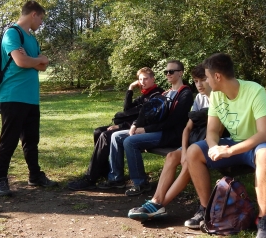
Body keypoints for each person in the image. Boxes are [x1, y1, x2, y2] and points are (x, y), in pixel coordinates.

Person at [184, 53, 266, 238]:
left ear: (217, 77)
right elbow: (211, 131)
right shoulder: (216, 97)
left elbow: (265, 134)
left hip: (261, 144)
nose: (206, 81)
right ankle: (206, 210)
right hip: (236, 142)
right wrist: (213, 147)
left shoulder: (254, 90)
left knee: (265, 154)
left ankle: (264, 220)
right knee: (193, 151)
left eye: (207, 77)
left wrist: (228, 151)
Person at [128, 64, 212, 219]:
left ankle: (159, 205)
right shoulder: (199, 98)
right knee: (172, 156)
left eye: (203, 80)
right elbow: (187, 129)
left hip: (209, 143)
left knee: (188, 164)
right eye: (196, 81)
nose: (199, 84)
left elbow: (214, 133)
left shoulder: (217, 98)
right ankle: (156, 199)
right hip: (195, 140)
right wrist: (184, 150)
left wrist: (189, 154)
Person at [99, 60, 194, 196]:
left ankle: (140, 183)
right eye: (166, 72)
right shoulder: (166, 93)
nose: (168, 74)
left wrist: (145, 130)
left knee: (130, 142)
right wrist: (135, 125)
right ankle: (116, 178)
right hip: (158, 130)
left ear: (180, 73)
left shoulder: (185, 94)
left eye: (171, 71)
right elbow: (146, 112)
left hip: (171, 135)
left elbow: (173, 121)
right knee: (116, 136)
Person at [0, 0, 56, 196]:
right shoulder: (13, 33)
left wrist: (34, 60)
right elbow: (21, 62)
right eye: (41, 19)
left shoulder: (32, 39)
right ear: (33, 14)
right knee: (9, 139)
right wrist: (36, 59)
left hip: (30, 97)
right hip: (12, 95)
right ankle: (1, 179)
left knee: (31, 140)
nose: (41, 23)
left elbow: (42, 66)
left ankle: (35, 175)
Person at [67, 67, 163, 191]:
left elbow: (144, 118)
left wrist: (120, 126)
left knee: (106, 135)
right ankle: (104, 170)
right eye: (140, 79)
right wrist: (130, 89)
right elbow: (127, 109)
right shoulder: (145, 94)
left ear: (153, 79)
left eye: (145, 79)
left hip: (141, 129)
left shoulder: (156, 95)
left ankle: (92, 177)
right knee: (98, 131)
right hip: (131, 125)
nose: (142, 82)